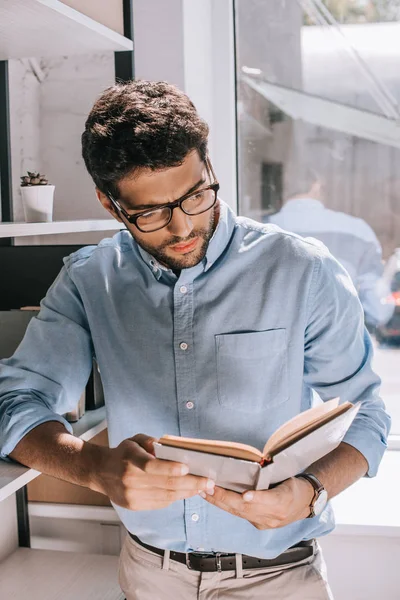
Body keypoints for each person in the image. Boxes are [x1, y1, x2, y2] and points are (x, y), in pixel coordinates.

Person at [0, 81, 390, 600]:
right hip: (148, 574)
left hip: (279, 577)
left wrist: (310, 492)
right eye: (151, 213)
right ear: (110, 203)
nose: (182, 226)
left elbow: (367, 414)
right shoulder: (89, 281)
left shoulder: (301, 269)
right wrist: (93, 467)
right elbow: (15, 404)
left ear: (209, 166)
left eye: (196, 195)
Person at [268, 180, 395, 328]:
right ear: (316, 186)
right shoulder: (358, 230)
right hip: (339, 342)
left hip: (275, 344)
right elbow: (378, 311)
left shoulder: (261, 228)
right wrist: (389, 273)